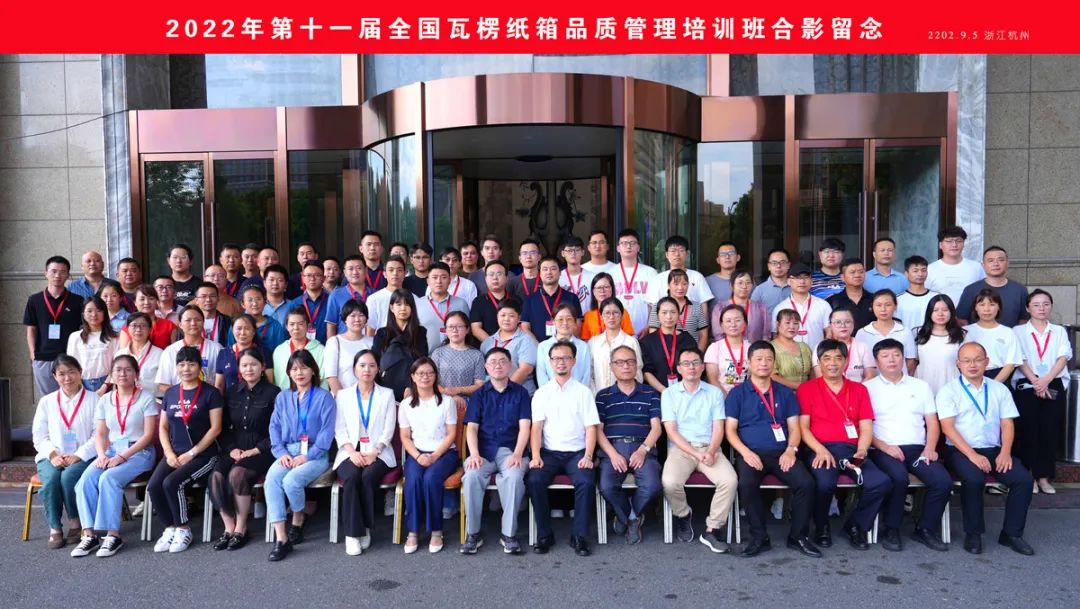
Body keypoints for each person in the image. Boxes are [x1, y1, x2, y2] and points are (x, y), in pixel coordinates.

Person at [937, 343, 1035, 555]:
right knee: (973, 479)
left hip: (994, 449)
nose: (972, 365)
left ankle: (1011, 534)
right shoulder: (948, 390)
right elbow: (948, 428)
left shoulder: (999, 389)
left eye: (977, 359)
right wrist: (972, 455)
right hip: (960, 451)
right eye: (967, 360)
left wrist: (1005, 452)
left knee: (1023, 480)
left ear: (987, 362)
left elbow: (1007, 424)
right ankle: (973, 533)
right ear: (958, 364)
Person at [725, 341, 820, 558]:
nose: (764, 363)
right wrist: (745, 453)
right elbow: (730, 430)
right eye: (758, 359)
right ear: (749, 363)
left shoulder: (785, 393)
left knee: (806, 483)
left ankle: (798, 536)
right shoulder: (737, 394)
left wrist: (791, 450)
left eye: (769, 359)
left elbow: (795, 428)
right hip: (750, 453)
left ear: (774, 363)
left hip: (782, 452)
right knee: (746, 484)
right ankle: (759, 537)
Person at [796, 339, 889, 550]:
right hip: (820, 449)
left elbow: (866, 427)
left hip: (852, 450)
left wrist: (862, 451)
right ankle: (821, 527)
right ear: (819, 362)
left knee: (880, 482)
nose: (833, 363)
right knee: (824, 483)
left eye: (838, 358)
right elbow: (803, 428)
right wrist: (819, 449)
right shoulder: (807, 388)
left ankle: (855, 525)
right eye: (827, 358)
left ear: (846, 362)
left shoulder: (859, 390)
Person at [863, 339, 952, 552]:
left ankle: (925, 529)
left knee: (942, 481)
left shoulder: (920, 386)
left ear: (903, 358)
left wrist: (930, 448)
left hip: (917, 448)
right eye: (885, 356)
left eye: (896, 355)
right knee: (898, 478)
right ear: (876, 361)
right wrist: (884, 447)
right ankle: (891, 529)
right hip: (883, 448)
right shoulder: (867, 388)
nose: (891, 360)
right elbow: (863, 427)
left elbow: (932, 422)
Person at [71, 355, 158, 557]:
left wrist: (122, 457)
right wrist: (101, 455)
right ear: (111, 374)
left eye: (128, 370)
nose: (122, 374)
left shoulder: (146, 398)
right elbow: (101, 434)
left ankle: (113, 535)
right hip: (111, 451)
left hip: (139, 452)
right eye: (118, 370)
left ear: (136, 374)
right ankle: (89, 535)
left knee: (108, 478)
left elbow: (147, 436)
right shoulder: (104, 400)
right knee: (85, 481)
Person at [660, 346, 737, 552]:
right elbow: (671, 431)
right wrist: (695, 453)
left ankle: (712, 529)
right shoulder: (669, 394)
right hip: (681, 449)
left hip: (710, 448)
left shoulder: (714, 393)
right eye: (686, 363)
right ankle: (683, 514)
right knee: (669, 482)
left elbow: (718, 427)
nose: (691, 367)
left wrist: (711, 451)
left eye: (695, 363)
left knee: (729, 481)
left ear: (703, 367)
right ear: (679, 368)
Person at [149, 346, 224, 554]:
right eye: (181, 364)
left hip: (203, 455)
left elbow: (216, 428)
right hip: (175, 453)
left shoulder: (211, 393)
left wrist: (192, 453)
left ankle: (183, 529)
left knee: (172, 483)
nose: (186, 369)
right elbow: (163, 427)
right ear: (176, 368)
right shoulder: (171, 393)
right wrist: (168, 453)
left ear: (199, 367)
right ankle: (170, 527)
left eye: (191, 364)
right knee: (154, 486)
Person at [528, 341, 600, 556]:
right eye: (556, 358)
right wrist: (535, 455)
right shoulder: (542, 393)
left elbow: (591, 427)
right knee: (534, 480)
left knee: (586, 481)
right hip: (549, 453)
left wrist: (588, 456)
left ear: (574, 361)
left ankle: (579, 536)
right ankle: (544, 534)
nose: (561, 362)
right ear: (550, 362)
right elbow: (536, 428)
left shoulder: (584, 392)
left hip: (577, 453)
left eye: (566, 358)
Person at [265, 350, 336, 561]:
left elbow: (327, 433)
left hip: (315, 454)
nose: (299, 373)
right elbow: (274, 427)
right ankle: (281, 538)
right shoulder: (283, 397)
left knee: (291, 481)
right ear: (288, 373)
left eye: (304, 367)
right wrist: (281, 452)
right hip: (288, 451)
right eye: (294, 369)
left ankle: (297, 519)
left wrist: (308, 456)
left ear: (313, 370)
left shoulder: (324, 397)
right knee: (271, 481)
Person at [460, 347, 532, 555]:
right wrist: (474, 454)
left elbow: (525, 426)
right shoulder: (479, 394)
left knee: (514, 477)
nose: (498, 365)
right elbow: (471, 428)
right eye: (493, 362)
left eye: (502, 361)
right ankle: (473, 533)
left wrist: (518, 453)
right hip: (483, 451)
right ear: (486, 367)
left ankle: (508, 535)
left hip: (511, 450)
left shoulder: (521, 393)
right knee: (471, 476)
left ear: (510, 366)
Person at [208, 347, 280, 551]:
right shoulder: (231, 392)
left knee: (237, 474)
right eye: (245, 365)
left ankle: (241, 528)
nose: (249, 369)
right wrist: (231, 449)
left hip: (263, 450)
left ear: (262, 367)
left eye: (253, 365)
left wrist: (257, 449)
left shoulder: (274, 393)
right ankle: (228, 527)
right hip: (236, 448)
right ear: (239, 368)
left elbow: (279, 429)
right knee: (216, 475)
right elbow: (222, 427)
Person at [595, 346, 662, 544]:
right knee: (607, 486)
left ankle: (627, 516)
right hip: (613, 449)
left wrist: (642, 450)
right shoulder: (603, 396)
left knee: (652, 485)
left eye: (630, 361)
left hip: (643, 448)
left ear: (637, 365)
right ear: (611, 367)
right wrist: (613, 454)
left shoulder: (650, 393)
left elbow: (656, 428)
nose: (625, 366)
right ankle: (632, 518)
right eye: (620, 362)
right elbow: (598, 430)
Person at [334, 350, 397, 556]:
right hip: (350, 451)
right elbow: (339, 428)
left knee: (368, 476)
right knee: (352, 477)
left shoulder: (386, 394)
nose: (366, 370)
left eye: (371, 365)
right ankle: (352, 535)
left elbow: (389, 428)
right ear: (354, 369)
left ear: (378, 369)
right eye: (362, 365)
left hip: (379, 451)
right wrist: (351, 452)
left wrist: (375, 452)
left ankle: (366, 528)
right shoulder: (343, 395)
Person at [32, 355, 96, 548]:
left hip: (83, 456)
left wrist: (78, 455)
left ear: (80, 373)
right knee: (51, 480)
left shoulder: (95, 399)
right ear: (54, 376)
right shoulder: (47, 401)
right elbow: (39, 435)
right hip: (51, 456)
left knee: (68, 478)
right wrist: (53, 455)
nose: (67, 378)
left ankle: (75, 523)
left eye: (71, 372)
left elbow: (99, 434)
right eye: (61, 374)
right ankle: (55, 527)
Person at [1012, 289, 1072, 495]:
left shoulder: (1059, 331)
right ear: (1028, 308)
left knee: (1049, 430)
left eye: (1046, 304)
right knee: (1028, 430)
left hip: (1052, 382)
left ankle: (1044, 477)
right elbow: (1019, 358)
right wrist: (1036, 381)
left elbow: (1063, 357)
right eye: (1036, 305)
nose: (1041, 308)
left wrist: (1045, 380)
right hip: (1027, 383)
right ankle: (1028, 476)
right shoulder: (1018, 331)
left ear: (1051, 306)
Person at [399, 358, 460, 554]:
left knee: (431, 478)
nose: (425, 377)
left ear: (435, 376)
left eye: (429, 373)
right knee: (413, 480)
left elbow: (451, 434)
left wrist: (434, 455)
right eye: (420, 373)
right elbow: (405, 436)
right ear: (413, 377)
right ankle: (413, 531)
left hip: (444, 453)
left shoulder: (447, 402)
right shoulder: (406, 405)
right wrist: (418, 457)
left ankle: (436, 530)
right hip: (417, 453)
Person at [25, 255, 84, 399]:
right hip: (43, 357)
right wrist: (33, 354)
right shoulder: (34, 300)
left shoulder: (77, 301)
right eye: (53, 271)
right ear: (45, 273)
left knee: (71, 397)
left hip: (69, 357)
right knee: (49, 399)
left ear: (68, 275)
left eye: (62, 272)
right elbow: (31, 328)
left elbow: (82, 329)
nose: (57, 275)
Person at [372, 289, 430, 400]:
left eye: (407, 304)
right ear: (391, 308)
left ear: (412, 308)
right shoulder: (382, 334)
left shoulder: (420, 332)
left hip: (414, 388)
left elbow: (422, 362)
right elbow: (375, 362)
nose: (403, 308)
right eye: (398, 304)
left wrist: (411, 386)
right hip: (385, 389)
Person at [155, 305, 227, 394]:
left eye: (197, 320)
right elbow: (163, 385)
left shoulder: (217, 349)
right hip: (180, 400)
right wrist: (185, 397)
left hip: (209, 400)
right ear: (180, 325)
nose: (193, 323)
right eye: (188, 320)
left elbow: (222, 383)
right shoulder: (170, 351)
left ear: (203, 323)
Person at [956, 246, 1029, 326]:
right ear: (983, 265)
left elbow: (1023, 319)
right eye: (990, 261)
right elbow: (961, 320)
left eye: (1001, 260)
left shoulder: (1020, 290)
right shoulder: (970, 290)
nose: (996, 264)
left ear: (1008, 263)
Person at [962, 288, 1023, 384]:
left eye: (992, 304)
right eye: (982, 305)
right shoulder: (965, 331)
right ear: (976, 307)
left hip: (1000, 378)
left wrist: (994, 385)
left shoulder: (1008, 332)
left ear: (999, 307)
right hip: (970, 377)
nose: (987, 309)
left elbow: (1011, 363)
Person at [645, 235, 713, 321]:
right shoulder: (657, 279)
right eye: (673, 251)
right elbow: (652, 307)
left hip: (692, 325)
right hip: (665, 326)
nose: (677, 254)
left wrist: (704, 326)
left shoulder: (697, 277)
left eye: (681, 250)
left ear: (687, 254)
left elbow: (703, 305)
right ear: (666, 254)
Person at [479, 300, 539, 395]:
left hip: (521, 394)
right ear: (497, 317)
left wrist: (504, 392)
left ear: (519, 318)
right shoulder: (487, 342)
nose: (506, 319)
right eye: (502, 315)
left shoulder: (526, 340)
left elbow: (525, 370)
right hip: (493, 395)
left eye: (511, 316)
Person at [640, 297, 697, 393]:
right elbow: (646, 372)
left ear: (679, 314)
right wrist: (665, 392)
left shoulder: (687, 339)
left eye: (673, 312)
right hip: (657, 393)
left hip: (686, 392)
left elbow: (694, 366)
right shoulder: (647, 341)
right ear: (657, 315)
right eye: (664, 312)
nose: (669, 317)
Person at [854, 290, 917, 376]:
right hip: (872, 381)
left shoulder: (905, 331)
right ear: (872, 307)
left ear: (895, 306)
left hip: (899, 381)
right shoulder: (862, 333)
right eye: (878, 305)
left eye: (888, 305)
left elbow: (910, 361)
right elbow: (858, 362)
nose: (883, 309)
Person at [771, 263, 830, 353]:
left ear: (811, 281)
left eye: (805, 277)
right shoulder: (780, 308)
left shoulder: (823, 305)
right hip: (790, 358)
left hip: (817, 356)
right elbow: (775, 335)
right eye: (797, 278)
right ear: (789, 281)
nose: (802, 281)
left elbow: (829, 333)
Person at [914, 295, 966, 394]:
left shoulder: (962, 335)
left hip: (952, 386)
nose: (940, 314)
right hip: (923, 384)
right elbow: (912, 362)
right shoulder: (918, 332)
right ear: (929, 312)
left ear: (951, 312)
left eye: (945, 310)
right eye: (935, 310)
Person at [588, 297, 643, 391]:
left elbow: (637, 373)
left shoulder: (631, 342)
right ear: (601, 316)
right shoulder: (593, 343)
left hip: (625, 397)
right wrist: (596, 395)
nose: (611, 317)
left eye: (615, 313)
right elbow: (590, 374)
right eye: (607, 313)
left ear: (622, 316)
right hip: (599, 396)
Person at [522, 256, 582, 341]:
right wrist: (539, 346)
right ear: (540, 273)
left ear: (560, 273)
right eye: (545, 269)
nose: (549, 272)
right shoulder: (530, 299)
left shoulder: (572, 298)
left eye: (553, 269)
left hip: (565, 346)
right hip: (537, 347)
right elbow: (525, 327)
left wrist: (563, 345)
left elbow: (577, 325)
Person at [66, 296, 118, 394]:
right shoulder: (75, 337)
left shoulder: (114, 337)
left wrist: (105, 386)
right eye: (89, 311)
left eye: (98, 310)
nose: (94, 314)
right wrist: (80, 386)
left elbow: (117, 364)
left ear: (104, 313)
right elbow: (71, 365)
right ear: (83, 314)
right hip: (81, 384)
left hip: (107, 385)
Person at [647, 269, 709, 351]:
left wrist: (698, 354)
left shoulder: (696, 306)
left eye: (684, 284)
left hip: (691, 353)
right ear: (668, 285)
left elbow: (703, 334)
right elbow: (653, 333)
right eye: (676, 284)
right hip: (666, 353)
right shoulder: (658, 306)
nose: (680, 288)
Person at [416, 261, 470, 354]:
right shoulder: (417, 304)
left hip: (456, 356)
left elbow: (467, 332)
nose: (439, 281)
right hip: (426, 357)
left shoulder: (461, 304)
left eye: (444, 277)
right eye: (434, 277)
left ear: (449, 280)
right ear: (428, 281)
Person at [613, 229, 658, 336]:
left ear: (638, 248)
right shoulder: (610, 273)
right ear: (618, 248)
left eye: (632, 243)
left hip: (645, 332)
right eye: (624, 243)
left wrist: (649, 326)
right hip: (617, 331)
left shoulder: (650, 272)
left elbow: (655, 304)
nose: (628, 246)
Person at [926, 225, 986, 305]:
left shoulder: (976, 268)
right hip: (941, 312)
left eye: (958, 241)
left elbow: (985, 293)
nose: (954, 245)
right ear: (940, 245)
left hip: (971, 312)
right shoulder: (930, 269)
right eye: (949, 241)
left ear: (964, 244)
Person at [324, 300, 374, 395]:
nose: (357, 319)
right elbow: (331, 376)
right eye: (352, 316)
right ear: (345, 319)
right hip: (341, 398)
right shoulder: (334, 342)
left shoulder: (372, 342)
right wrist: (345, 399)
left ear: (366, 319)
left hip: (368, 397)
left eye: (361, 315)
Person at [431, 311, 486, 396]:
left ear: (467, 329)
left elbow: (479, 385)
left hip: (467, 400)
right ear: (445, 330)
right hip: (442, 399)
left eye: (459, 326)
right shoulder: (438, 353)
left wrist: (458, 390)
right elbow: (431, 380)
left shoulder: (477, 355)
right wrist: (449, 396)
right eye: (450, 327)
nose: (455, 330)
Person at [536, 303, 592, 387]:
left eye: (569, 319)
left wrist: (579, 392)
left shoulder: (583, 346)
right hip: (550, 393)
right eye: (560, 319)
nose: (565, 323)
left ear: (575, 322)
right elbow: (541, 375)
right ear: (553, 322)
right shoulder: (543, 346)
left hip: (578, 393)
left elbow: (586, 375)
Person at [811, 308, 874, 382]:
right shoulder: (820, 347)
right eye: (838, 322)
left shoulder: (863, 347)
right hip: (828, 388)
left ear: (853, 324)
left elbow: (870, 376)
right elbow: (820, 377)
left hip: (859, 388)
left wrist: (856, 389)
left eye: (847, 322)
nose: (843, 325)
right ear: (830, 325)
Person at [272, 307, 327, 390]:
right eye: (292, 324)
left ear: (308, 326)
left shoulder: (321, 350)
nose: (296, 328)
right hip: (285, 396)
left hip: (312, 396)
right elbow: (276, 380)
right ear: (286, 326)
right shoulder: (279, 351)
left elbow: (324, 382)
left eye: (300, 324)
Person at [705, 304, 750, 396]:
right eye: (728, 321)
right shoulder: (714, 348)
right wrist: (728, 399)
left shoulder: (751, 348)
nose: (733, 324)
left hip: (747, 396)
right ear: (721, 325)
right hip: (721, 396)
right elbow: (712, 380)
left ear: (745, 323)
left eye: (737, 320)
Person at [114, 312, 164, 397]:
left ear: (150, 329)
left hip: (154, 400)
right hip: (127, 400)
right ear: (127, 329)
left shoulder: (160, 354)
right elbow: (115, 383)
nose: (138, 329)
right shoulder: (120, 355)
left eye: (143, 326)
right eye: (134, 325)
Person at [714, 270, 770, 344]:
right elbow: (718, 336)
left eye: (748, 283)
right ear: (731, 286)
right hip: (728, 350)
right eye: (740, 283)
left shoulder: (761, 308)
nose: (744, 286)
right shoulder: (721, 308)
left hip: (755, 350)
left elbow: (766, 335)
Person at [220, 314, 273, 389]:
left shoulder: (264, 353)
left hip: (259, 396)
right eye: (239, 328)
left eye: (247, 328)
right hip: (231, 396)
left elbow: (269, 383)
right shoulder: (223, 354)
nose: (242, 333)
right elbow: (219, 385)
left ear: (254, 331)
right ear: (232, 331)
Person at [233, 284, 287, 354]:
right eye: (250, 300)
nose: (254, 304)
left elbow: (280, 352)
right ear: (243, 304)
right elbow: (231, 350)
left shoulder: (275, 326)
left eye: (258, 299)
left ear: (265, 302)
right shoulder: (236, 325)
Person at [580, 272, 634, 341]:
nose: (602, 291)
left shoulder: (622, 312)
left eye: (606, 287)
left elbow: (628, 338)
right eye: (599, 288)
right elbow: (586, 340)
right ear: (593, 292)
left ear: (612, 289)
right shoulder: (588, 316)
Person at [122, 284, 179, 350]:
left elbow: (174, 352)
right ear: (135, 302)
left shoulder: (169, 326)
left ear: (157, 301)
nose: (146, 302)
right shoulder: (128, 327)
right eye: (142, 299)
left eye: (151, 299)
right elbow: (124, 353)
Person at [286, 261, 330, 344]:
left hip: (326, 348)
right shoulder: (295, 303)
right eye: (308, 275)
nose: (312, 279)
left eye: (317, 275)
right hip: (301, 349)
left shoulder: (331, 301)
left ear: (324, 278)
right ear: (303, 278)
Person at [325, 254, 368, 338]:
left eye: (359, 268)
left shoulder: (375, 295)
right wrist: (332, 344)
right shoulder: (336, 295)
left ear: (366, 270)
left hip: (370, 343)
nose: (355, 272)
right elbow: (331, 326)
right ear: (344, 272)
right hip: (344, 343)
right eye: (350, 269)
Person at [468, 260, 511, 342]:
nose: (495, 278)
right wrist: (493, 344)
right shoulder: (478, 302)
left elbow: (520, 326)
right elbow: (476, 329)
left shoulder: (516, 300)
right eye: (491, 274)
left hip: (513, 346)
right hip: (488, 346)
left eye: (499, 274)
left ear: (506, 278)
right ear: (486, 279)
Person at [771, 309, 813, 391]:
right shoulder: (770, 348)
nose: (792, 327)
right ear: (778, 324)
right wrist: (800, 387)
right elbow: (772, 376)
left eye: (796, 323)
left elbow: (812, 372)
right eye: (787, 323)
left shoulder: (804, 347)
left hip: (807, 393)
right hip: (782, 394)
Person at [826, 259, 874, 330]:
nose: (857, 275)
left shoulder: (875, 299)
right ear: (842, 277)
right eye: (852, 272)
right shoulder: (832, 302)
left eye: (861, 272)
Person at [896, 255, 939, 332]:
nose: (920, 274)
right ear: (906, 274)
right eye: (915, 271)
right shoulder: (898, 300)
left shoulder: (937, 297)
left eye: (923, 270)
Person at [365, 255, 408, 331]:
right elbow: (370, 329)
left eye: (399, 270)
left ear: (405, 273)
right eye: (391, 270)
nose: (395, 273)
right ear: (384, 274)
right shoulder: (373, 299)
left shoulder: (413, 298)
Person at [557, 236, 595, 310]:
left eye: (577, 250)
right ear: (563, 253)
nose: (573, 253)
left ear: (582, 252)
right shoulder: (558, 277)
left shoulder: (592, 277)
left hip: (587, 317)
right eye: (569, 250)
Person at [751, 248, 793, 313]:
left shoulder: (797, 287)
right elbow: (753, 315)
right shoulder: (759, 290)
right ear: (769, 266)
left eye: (782, 262)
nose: (778, 266)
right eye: (774, 263)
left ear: (788, 265)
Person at [262, 264, 291, 328]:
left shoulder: (293, 306)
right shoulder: (255, 306)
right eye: (271, 280)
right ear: (264, 283)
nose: (275, 283)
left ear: (286, 284)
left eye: (280, 280)